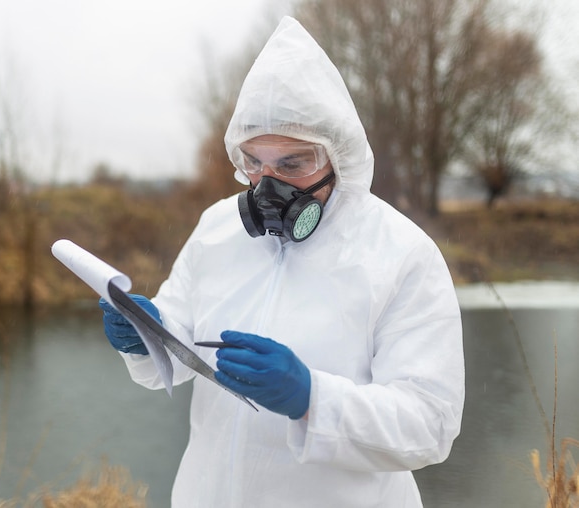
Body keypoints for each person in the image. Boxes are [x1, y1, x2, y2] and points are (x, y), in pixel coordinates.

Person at [99, 16, 464, 508]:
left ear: (339, 156)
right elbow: (179, 345)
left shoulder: (401, 253)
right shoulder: (217, 228)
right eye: (254, 163)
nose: (267, 183)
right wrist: (147, 335)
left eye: (292, 164)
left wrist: (312, 397)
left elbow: (429, 425)